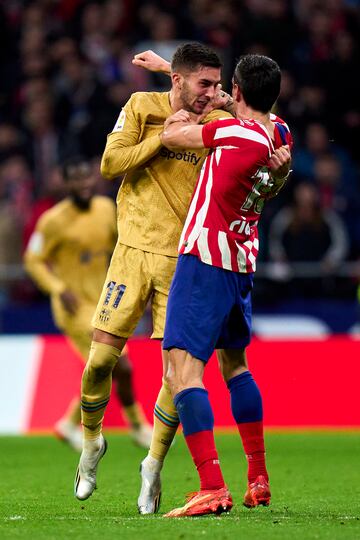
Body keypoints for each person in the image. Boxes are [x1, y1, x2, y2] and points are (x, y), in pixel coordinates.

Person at [74, 42, 236, 502]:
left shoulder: (218, 123)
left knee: (176, 376)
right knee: (100, 362)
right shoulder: (141, 107)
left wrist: (208, 98)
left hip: (184, 261)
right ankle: (91, 444)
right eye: (203, 84)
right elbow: (109, 164)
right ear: (179, 80)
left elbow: (260, 124)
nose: (211, 93)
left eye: (216, 85)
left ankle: (154, 462)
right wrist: (160, 140)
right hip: (130, 252)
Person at [157, 53, 292, 517]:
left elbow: (170, 134)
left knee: (181, 371)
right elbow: (273, 176)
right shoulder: (280, 135)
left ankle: (212, 485)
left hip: (206, 258)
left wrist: (180, 108)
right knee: (235, 366)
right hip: (242, 259)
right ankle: (258, 479)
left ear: (235, 90)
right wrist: (166, 68)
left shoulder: (233, 132)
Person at [24, 156, 152, 451]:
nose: (83, 184)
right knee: (119, 364)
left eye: (86, 178)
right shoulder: (53, 221)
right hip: (74, 307)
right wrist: (58, 288)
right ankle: (137, 425)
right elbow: (33, 260)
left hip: (104, 302)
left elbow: (123, 243)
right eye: (76, 179)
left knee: (103, 367)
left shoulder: (106, 209)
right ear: (66, 183)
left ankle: (68, 424)